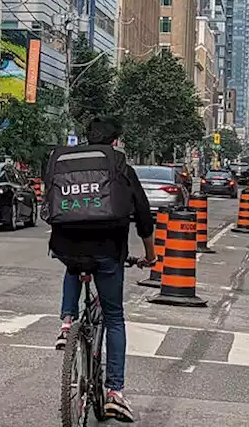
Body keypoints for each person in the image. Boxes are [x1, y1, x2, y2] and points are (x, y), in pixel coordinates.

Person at [48, 117, 156, 423]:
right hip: (108, 250)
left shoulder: (64, 161)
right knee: (114, 317)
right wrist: (150, 256)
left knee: (73, 263)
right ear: (115, 141)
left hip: (66, 245)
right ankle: (114, 393)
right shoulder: (119, 165)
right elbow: (144, 217)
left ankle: (67, 323)